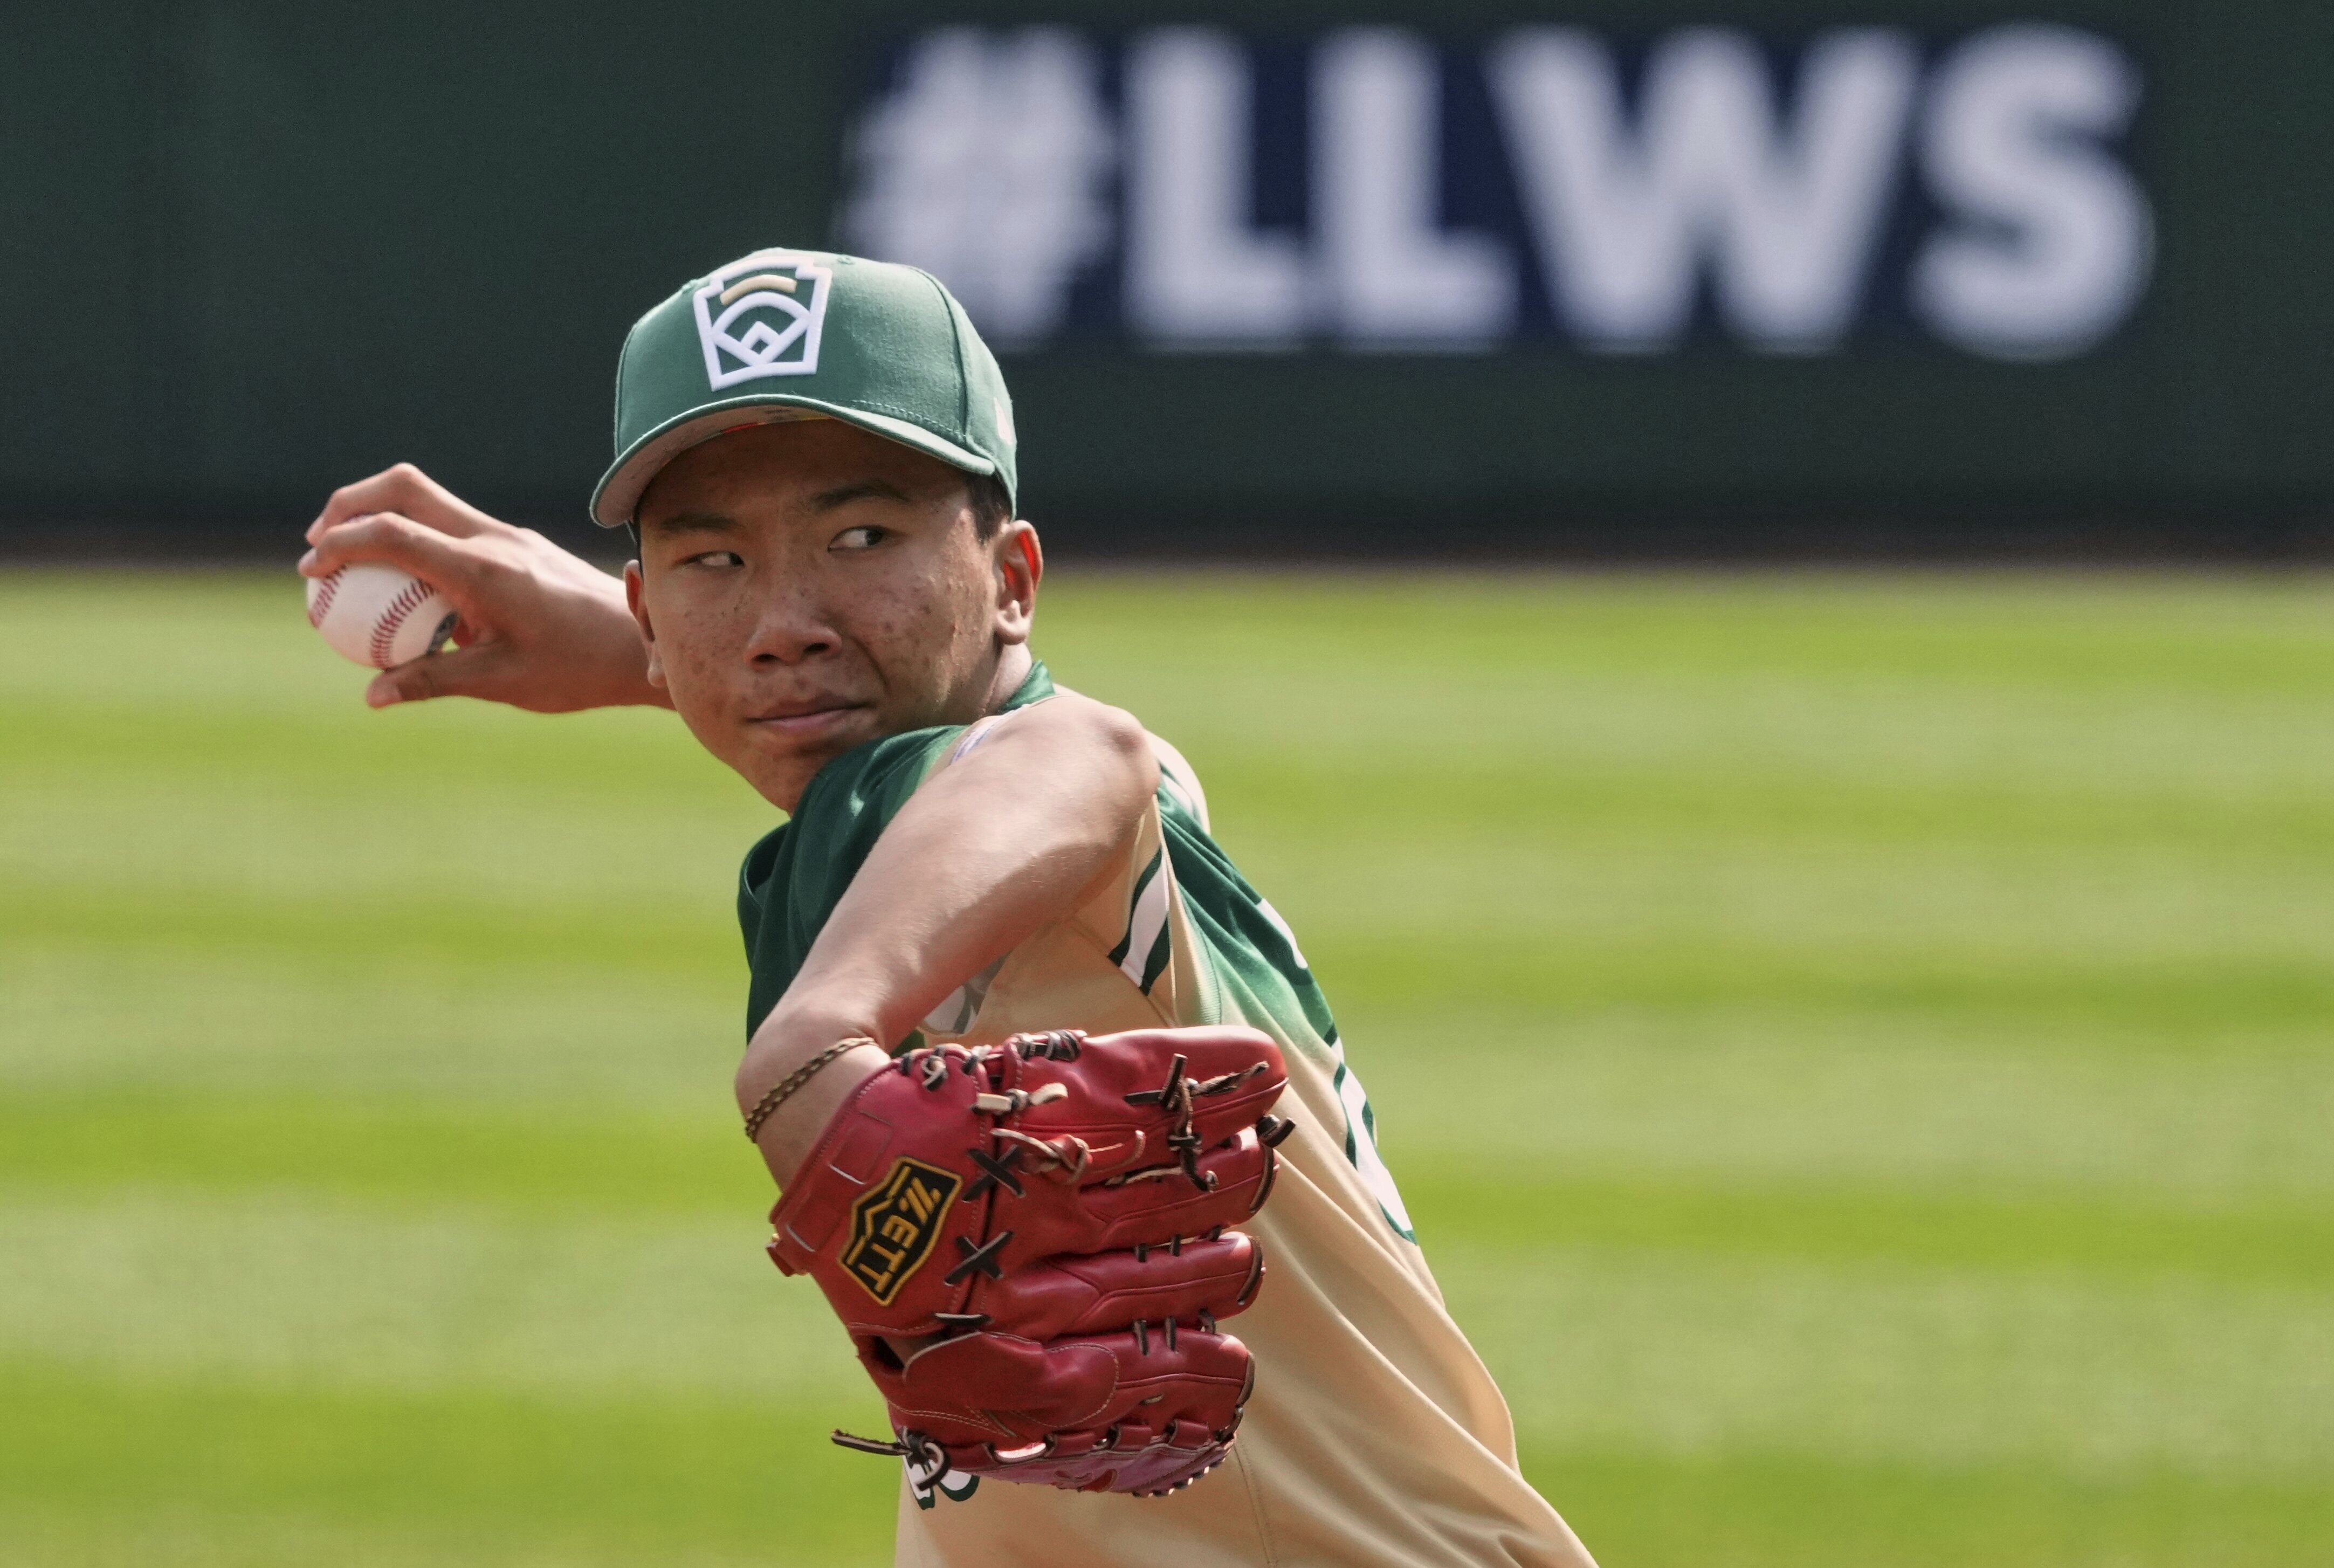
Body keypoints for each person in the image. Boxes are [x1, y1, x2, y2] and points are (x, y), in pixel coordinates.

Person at [299, 248, 1594, 1568]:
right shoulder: (899, 804)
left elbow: (1081, 757)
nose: (781, 622)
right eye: (713, 558)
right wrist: (649, 656)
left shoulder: (1057, 804)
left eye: (863, 538)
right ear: (646, 599)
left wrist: (821, 1029)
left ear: (1016, 578)